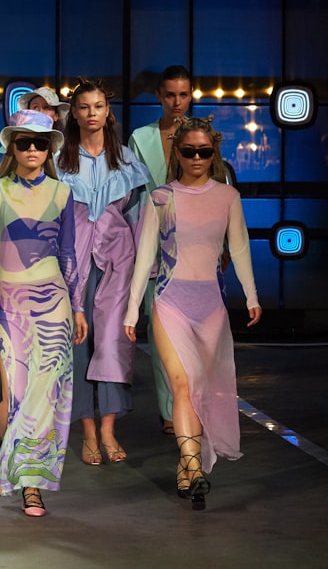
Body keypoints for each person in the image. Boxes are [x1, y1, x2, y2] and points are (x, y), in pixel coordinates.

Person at [125, 115, 261, 511]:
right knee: (182, 386)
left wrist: (251, 296)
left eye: (205, 151)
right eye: (189, 151)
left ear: (213, 151)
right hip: (170, 302)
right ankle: (192, 465)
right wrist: (133, 310)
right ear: (178, 154)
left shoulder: (227, 198)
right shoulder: (160, 198)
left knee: (200, 389)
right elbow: (144, 258)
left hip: (212, 307)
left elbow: (238, 249)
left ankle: (188, 471)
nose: (198, 157)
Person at [0, 109, 86, 517]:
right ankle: (11, 461)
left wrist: (78, 305)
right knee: (17, 393)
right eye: (25, 142)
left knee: (45, 393)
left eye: (41, 143)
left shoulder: (61, 193)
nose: (33, 149)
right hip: (9, 304)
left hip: (54, 302)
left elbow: (69, 253)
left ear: (50, 147)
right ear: (12, 147)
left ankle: (30, 483)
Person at [55, 78, 151, 467]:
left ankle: (109, 429)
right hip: (71, 264)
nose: (91, 113)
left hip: (117, 261)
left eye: (98, 106)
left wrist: (145, 273)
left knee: (113, 342)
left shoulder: (127, 161)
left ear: (107, 111)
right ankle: (88, 433)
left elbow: (140, 223)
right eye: (84, 107)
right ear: (73, 113)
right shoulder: (59, 161)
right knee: (77, 346)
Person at [128, 65, 193, 436]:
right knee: (160, 328)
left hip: (195, 243)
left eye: (183, 94)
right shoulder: (142, 137)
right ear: (159, 96)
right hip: (155, 244)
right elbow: (137, 197)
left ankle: (190, 402)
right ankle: (170, 410)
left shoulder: (203, 134)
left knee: (194, 330)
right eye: (170, 94)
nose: (177, 102)